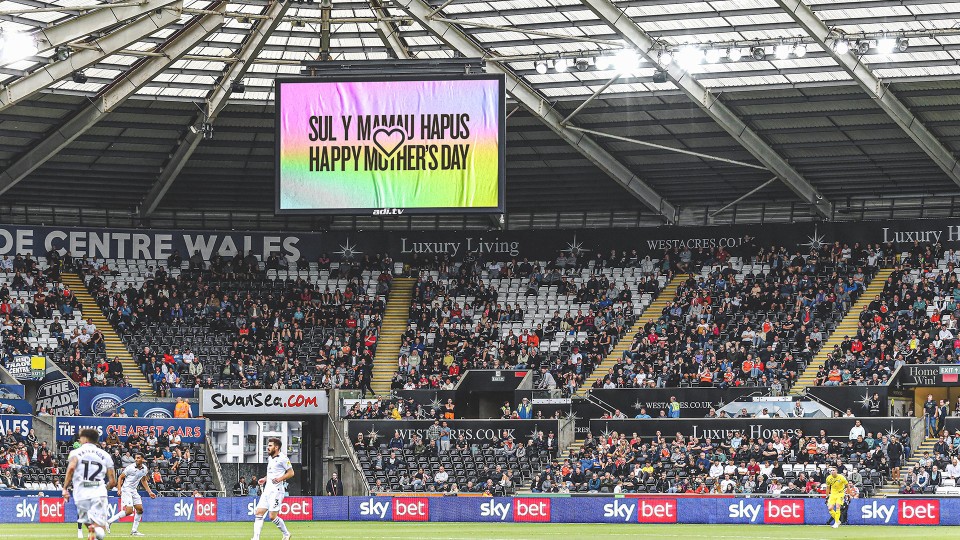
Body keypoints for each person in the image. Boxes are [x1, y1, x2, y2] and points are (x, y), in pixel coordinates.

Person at [63, 428, 117, 540]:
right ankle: (97, 531)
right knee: (100, 529)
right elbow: (112, 482)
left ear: (85, 439)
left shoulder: (75, 453)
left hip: (81, 494)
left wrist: (65, 488)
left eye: (80, 437)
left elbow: (71, 468)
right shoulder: (106, 455)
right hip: (99, 492)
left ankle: (93, 531)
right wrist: (103, 488)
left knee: (89, 524)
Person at [252, 437, 294, 540]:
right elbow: (272, 473)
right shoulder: (270, 458)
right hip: (267, 490)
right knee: (258, 512)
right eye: (268, 445)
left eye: (270, 446)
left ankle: (286, 534)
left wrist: (281, 478)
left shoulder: (283, 458)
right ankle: (255, 538)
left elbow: (291, 473)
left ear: (276, 447)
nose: (268, 448)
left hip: (276, 491)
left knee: (272, 516)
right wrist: (265, 479)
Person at [107, 453, 156, 536]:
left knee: (140, 510)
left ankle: (134, 531)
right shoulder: (130, 468)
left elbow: (143, 480)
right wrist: (119, 489)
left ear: (142, 459)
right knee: (129, 511)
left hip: (133, 490)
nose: (136, 459)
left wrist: (150, 492)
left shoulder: (144, 469)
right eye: (135, 458)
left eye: (138, 458)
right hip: (126, 490)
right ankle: (109, 522)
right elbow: (120, 477)